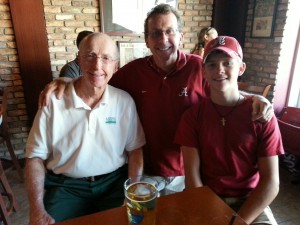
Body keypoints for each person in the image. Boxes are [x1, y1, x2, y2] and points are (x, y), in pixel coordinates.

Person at [39, 4, 273, 195]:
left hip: (190, 173)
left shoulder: (197, 67)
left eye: (170, 31)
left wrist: (252, 98)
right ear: (147, 40)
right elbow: (98, 81)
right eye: (156, 33)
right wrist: (67, 81)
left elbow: (225, 88)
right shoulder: (133, 72)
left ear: (180, 36)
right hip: (145, 171)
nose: (163, 39)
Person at [25, 33, 145, 224]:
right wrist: (36, 208)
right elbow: (34, 157)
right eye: (90, 56)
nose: (97, 65)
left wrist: (133, 190)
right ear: (79, 59)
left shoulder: (124, 101)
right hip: (66, 186)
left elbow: (135, 150)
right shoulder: (53, 101)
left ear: (115, 65)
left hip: (114, 183)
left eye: (106, 58)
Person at [175, 36, 284, 225]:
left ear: (241, 68)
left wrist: (239, 222)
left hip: (250, 201)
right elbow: (193, 180)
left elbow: (271, 182)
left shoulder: (261, 115)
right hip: (206, 197)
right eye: (212, 65)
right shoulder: (192, 117)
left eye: (227, 63)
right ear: (204, 72)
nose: (220, 70)